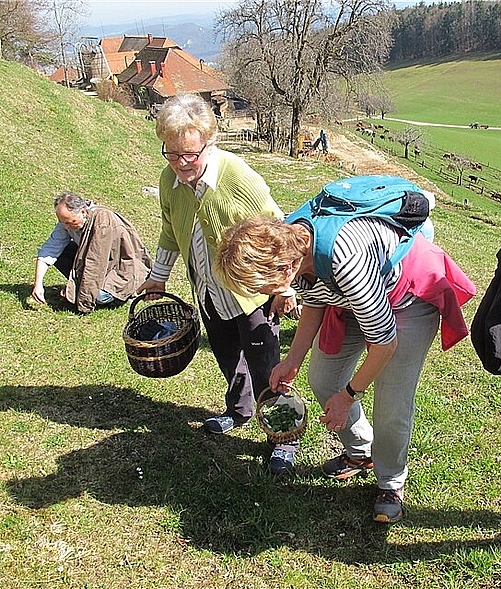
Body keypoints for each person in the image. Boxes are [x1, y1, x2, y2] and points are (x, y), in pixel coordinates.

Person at [213, 206, 475, 523]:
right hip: (351, 298)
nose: (261, 295)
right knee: (324, 378)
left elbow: (384, 345)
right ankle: (362, 452)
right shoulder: (292, 241)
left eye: (262, 288)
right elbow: (314, 294)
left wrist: (349, 395)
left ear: (283, 271)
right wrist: (293, 359)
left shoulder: (346, 260)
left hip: (407, 298)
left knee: (391, 402)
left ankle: (390, 483)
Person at [137, 92, 299, 474]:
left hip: (252, 293)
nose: (180, 164)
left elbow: (279, 231)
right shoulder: (169, 179)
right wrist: (159, 275)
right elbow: (168, 228)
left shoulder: (237, 175)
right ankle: (240, 410)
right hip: (209, 291)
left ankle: (284, 436)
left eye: (189, 154)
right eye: (172, 154)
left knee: (266, 366)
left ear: (209, 142)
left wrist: (283, 288)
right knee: (228, 356)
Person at [33, 191, 152, 314]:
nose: (67, 227)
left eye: (70, 222)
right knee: (61, 252)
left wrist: (81, 301)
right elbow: (49, 250)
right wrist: (38, 285)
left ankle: (126, 294)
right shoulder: (68, 221)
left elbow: (94, 264)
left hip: (122, 268)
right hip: (101, 264)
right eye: (63, 223)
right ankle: (83, 288)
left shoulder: (102, 222)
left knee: (99, 296)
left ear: (83, 212)